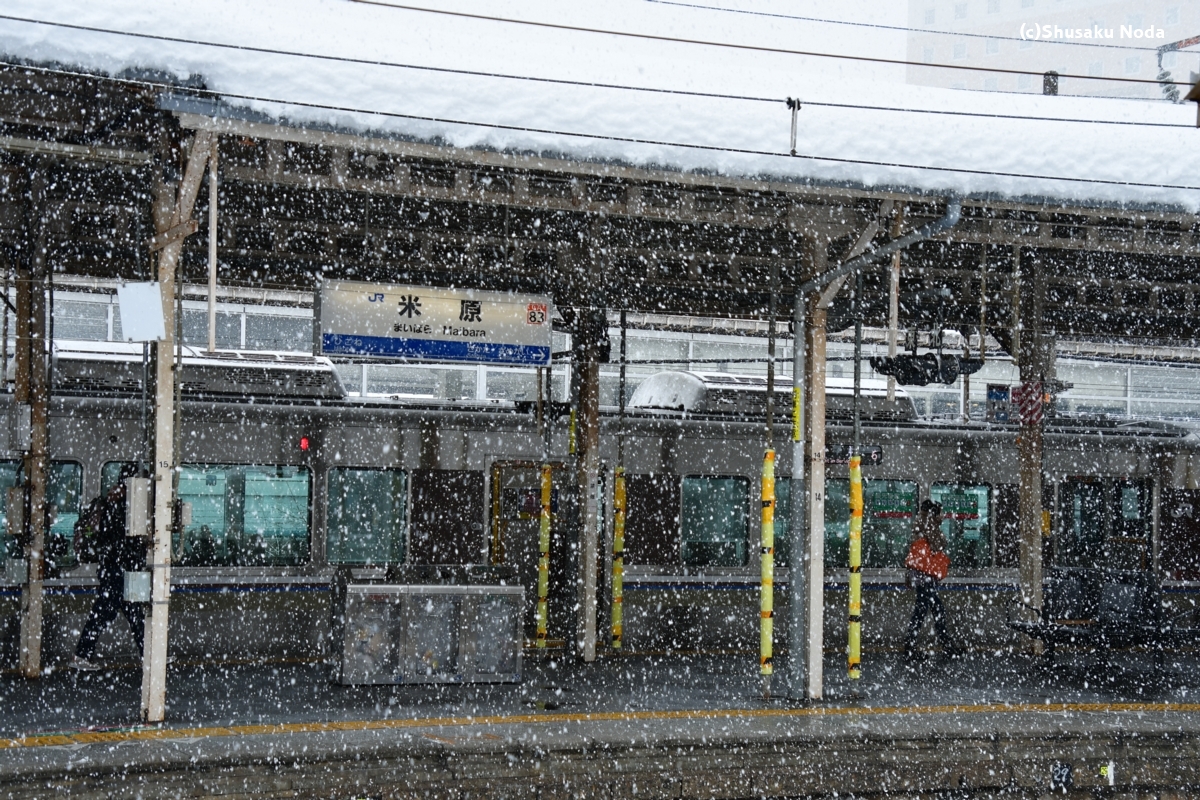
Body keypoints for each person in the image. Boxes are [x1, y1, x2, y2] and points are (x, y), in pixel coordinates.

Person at [72, 465, 146, 670]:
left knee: (127, 612)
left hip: (111, 567)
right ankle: (82, 655)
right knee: (119, 611)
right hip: (119, 568)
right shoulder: (126, 506)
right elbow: (126, 540)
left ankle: (148, 654)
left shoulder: (107, 502)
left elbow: (104, 537)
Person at [903, 499, 960, 662]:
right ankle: (943, 646)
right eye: (940, 513)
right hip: (925, 575)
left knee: (924, 611)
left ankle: (912, 647)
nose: (943, 516)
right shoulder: (928, 523)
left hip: (922, 575)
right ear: (934, 513)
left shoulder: (922, 522)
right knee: (934, 610)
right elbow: (938, 544)